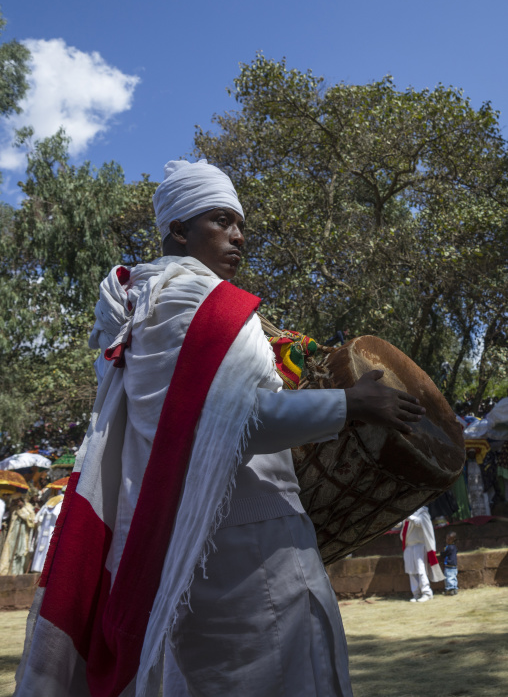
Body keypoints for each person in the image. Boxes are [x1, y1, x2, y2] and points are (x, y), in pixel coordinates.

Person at [15, 160, 425, 697]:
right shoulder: (189, 303)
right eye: (221, 221)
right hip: (241, 551)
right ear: (178, 230)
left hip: (230, 539)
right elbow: (229, 424)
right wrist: (351, 404)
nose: (238, 236)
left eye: (240, 223)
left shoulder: (161, 302)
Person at [400, 505, 444, 603]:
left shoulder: (422, 511)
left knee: (421, 570)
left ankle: (427, 593)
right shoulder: (407, 511)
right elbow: (400, 525)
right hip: (408, 546)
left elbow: (420, 523)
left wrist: (409, 516)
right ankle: (416, 594)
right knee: (411, 571)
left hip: (419, 545)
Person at [0, 495, 35, 576]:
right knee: (11, 551)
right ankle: (10, 571)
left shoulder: (28, 508)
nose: (17, 502)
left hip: (22, 533)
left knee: (20, 552)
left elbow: (31, 520)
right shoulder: (14, 508)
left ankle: (18, 572)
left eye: (18, 500)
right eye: (16, 501)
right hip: (13, 534)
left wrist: (22, 509)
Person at [441, 531, 458, 595]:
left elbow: (444, 554)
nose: (447, 540)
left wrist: (441, 553)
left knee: (448, 577)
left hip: (449, 565)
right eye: (447, 539)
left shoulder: (449, 547)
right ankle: (454, 588)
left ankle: (449, 589)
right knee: (453, 577)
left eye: (449, 539)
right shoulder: (454, 547)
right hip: (454, 565)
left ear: (453, 540)